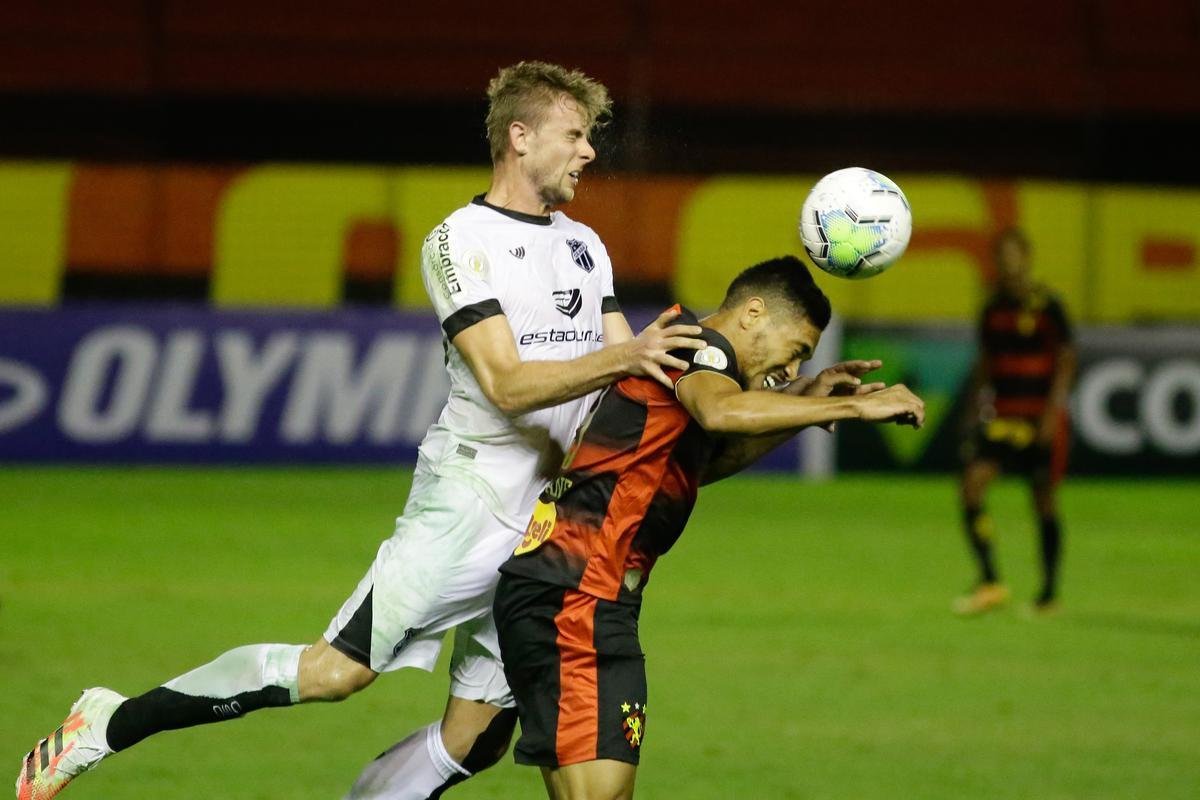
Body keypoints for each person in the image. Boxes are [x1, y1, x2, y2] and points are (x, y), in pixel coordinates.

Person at [16, 61, 707, 800]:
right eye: (573, 135)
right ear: (520, 136)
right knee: (335, 672)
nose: (589, 151)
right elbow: (507, 384)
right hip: (471, 500)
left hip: (547, 524)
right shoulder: (460, 242)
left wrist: (733, 387)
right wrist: (629, 355)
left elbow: (625, 382)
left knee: (475, 738)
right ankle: (110, 722)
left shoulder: (585, 245)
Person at [492, 256, 926, 800]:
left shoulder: (690, 362)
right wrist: (859, 411)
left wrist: (809, 400)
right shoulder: (699, 347)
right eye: (795, 350)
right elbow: (723, 414)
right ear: (753, 313)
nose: (791, 369)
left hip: (578, 593)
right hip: (576, 595)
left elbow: (701, 464)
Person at [954, 228, 1076, 616]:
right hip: (1004, 416)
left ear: (1026, 257)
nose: (1008, 264)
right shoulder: (993, 309)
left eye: (1013, 256)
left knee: (1043, 500)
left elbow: (1066, 361)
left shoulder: (1049, 306)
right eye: (1001, 257)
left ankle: (1049, 593)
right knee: (972, 487)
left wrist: (1052, 414)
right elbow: (985, 362)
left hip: (1038, 416)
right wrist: (973, 410)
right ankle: (990, 580)